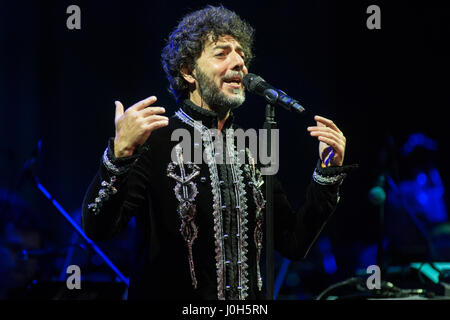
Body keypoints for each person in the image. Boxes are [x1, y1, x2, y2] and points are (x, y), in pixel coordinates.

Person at [82, 5, 353, 300]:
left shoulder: (252, 147)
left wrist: (327, 175)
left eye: (241, 54)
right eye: (222, 53)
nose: (239, 63)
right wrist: (119, 153)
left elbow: (293, 243)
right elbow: (98, 227)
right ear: (188, 71)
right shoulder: (154, 140)